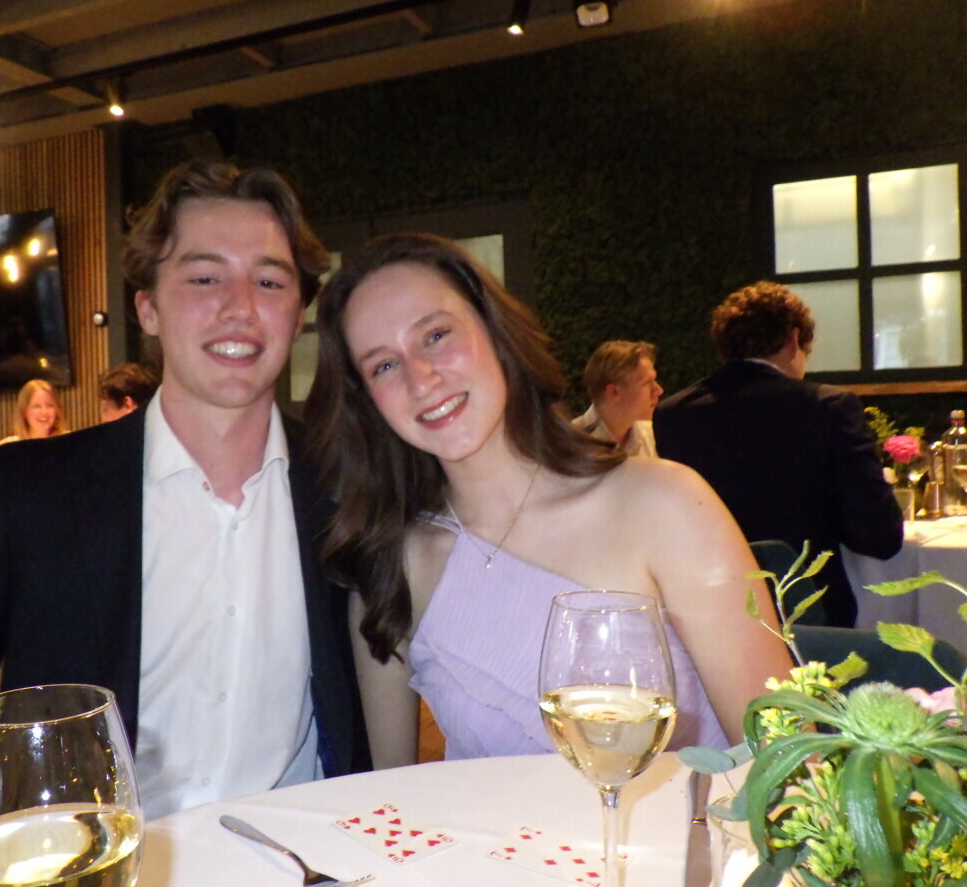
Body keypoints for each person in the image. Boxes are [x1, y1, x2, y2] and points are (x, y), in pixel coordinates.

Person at [0, 159, 371, 887]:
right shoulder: (34, 495)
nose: (241, 307)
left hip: (298, 864)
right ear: (147, 308)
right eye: (205, 277)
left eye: (270, 282)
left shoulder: (345, 487)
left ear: (299, 308)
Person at [305, 233, 792, 768]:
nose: (422, 379)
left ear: (495, 331)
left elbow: (790, 765)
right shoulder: (391, 570)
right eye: (383, 365)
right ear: (366, 401)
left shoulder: (664, 504)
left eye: (437, 335)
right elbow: (391, 795)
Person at [654, 281, 903, 629]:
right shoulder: (828, 406)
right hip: (807, 615)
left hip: (709, 611)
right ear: (792, 340)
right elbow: (878, 536)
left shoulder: (673, 414)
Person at [572, 340, 662, 457]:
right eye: (647, 383)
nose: (658, 390)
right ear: (613, 392)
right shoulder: (569, 445)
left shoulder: (653, 437)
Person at [0, 378, 70, 444]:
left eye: (49, 405)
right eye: (37, 406)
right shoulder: (8, 446)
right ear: (24, 411)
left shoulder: (69, 442)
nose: (44, 412)